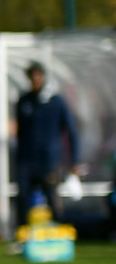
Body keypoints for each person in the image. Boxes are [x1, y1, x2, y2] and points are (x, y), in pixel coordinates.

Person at [13, 62, 82, 229]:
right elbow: (20, 132)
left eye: (38, 76)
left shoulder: (56, 102)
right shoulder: (24, 101)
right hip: (27, 160)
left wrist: (74, 161)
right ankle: (22, 235)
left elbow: (71, 131)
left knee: (51, 197)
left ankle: (58, 233)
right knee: (23, 198)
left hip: (49, 160)